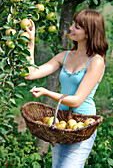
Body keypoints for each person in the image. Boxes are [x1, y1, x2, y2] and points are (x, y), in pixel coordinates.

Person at [25, 9, 108, 168]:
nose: (70, 28)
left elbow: (76, 101)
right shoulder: (65, 56)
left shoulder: (96, 61)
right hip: (60, 123)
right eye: (73, 25)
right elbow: (31, 73)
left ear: (88, 33)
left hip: (81, 126)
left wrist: (47, 92)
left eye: (77, 27)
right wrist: (31, 41)